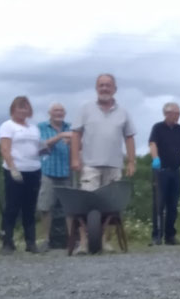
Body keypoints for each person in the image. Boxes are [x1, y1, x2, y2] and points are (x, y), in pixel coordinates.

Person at [70, 73, 137, 253]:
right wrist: (75, 158)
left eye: (108, 85)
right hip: (90, 164)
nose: (104, 88)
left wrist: (131, 162)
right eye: (101, 85)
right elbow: (76, 134)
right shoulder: (85, 108)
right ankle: (83, 243)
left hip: (114, 165)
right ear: (96, 88)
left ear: (114, 89)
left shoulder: (123, 112)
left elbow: (129, 137)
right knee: (85, 205)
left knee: (110, 206)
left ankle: (105, 241)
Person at [0, 96, 44, 254]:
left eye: (25, 107)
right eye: (20, 107)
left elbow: (37, 148)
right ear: (13, 109)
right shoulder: (8, 126)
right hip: (15, 169)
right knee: (12, 206)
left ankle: (30, 242)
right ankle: (7, 241)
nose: (23, 110)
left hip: (33, 169)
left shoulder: (33, 128)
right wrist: (12, 168)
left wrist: (44, 149)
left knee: (29, 208)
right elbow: (5, 148)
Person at [148, 102, 180, 245]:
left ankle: (170, 236)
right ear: (167, 114)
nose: (178, 116)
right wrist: (155, 158)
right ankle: (156, 236)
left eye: (179, 113)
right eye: (176, 113)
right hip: (160, 171)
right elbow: (152, 143)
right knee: (159, 204)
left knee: (173, 205)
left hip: (175, 171)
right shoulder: (158, 128)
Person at [36, 103, 73, 251]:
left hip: (67, 171)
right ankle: (46, 240)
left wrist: (74, 141)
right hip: (48, 170)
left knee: (70, 207)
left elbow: (81, 145)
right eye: (56, 110)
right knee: (46, 206)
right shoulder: (41, 127)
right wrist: (60, 136)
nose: (59, 113)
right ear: (49, 113)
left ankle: (72, 239)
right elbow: (42, 146)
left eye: (62, 110)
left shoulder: (70, 127)